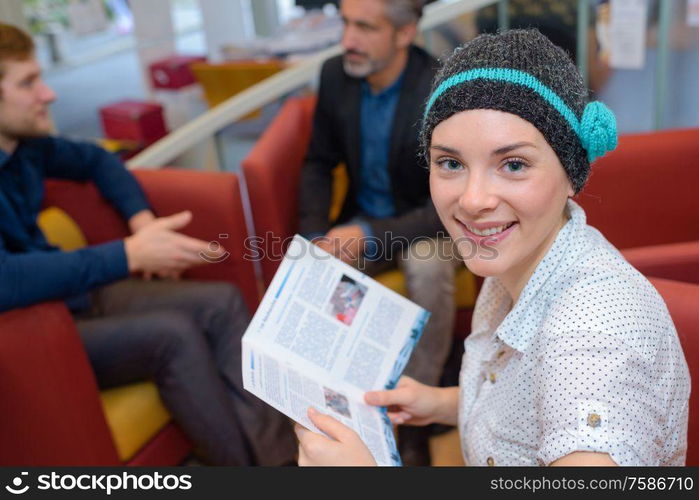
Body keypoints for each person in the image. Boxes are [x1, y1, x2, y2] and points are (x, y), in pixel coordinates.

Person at [294, 29, 690, 466]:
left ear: (571, 172)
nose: (472, 200)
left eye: (513, 164)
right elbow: (537, 390)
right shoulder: (519, 263)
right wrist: (445, 403)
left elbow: (581, 380)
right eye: (451, 163)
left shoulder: (593, 333)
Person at [0, 23, 295, 465]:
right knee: (173, 336)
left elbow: (99, 160)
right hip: (30, 332)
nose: (49, 94)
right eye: (28, 83)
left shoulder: (25, 147)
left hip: (67, 295)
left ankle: (282, 463)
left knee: (223, 301)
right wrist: (128, 255)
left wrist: (140, 222)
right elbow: (6, 280)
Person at [298, 0, 459, 465]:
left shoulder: (439, 87)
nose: (349, 39)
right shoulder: (335, 75)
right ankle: (332, 413)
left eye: (365, 27)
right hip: (359, 222)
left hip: (425, 224)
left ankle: (411, 407)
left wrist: (369, 234)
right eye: (346, 23)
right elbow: (317, 163)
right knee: (310, 268)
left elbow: (446, 200)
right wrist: (313, 241)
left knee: (427, 265)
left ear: (405, 33)